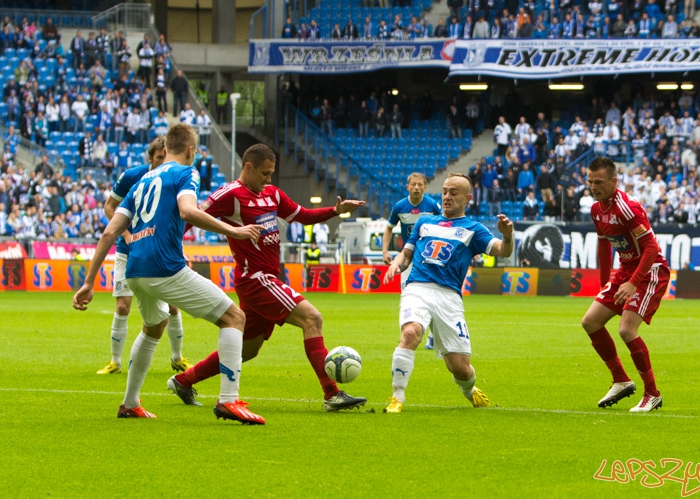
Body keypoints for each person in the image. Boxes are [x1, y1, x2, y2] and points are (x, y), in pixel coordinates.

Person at [73, 124, 266, 424]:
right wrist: (235, 230)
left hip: (135, 268)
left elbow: (110, 231)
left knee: (154, 325)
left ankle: (130, 403)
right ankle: (229, 400)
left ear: (164, 150)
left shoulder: (140, 183)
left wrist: (88, 282)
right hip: (164, 266)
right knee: (234, 318)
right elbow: (188, 211)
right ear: (191, 150)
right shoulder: (185, 173)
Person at [167, 143, 368, 412]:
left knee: (248, 349)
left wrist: (335, 211)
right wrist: (176, 249)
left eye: (271, 173)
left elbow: (303, 216)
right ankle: (331, 393)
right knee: (312, 318)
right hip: (256, 279)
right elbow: (189, 218)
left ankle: (184, 380)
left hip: (268, 279)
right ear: (248, 168)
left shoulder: (272, 193)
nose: (268, 179)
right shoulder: (230, 195)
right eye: (264, 173)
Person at [382, 173, 514, 413]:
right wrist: (396, 264)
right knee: (411, 333)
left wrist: (507, 235)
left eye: (454, 193)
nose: (447, 197)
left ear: (467, 198)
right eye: (444, 192)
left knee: (460, 368)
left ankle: (470, 390)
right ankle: (397, 397)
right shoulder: (424, 222)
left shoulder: (474, 229)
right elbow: (406, 255)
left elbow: (502, 251)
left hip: (449, 297)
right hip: (417, 288)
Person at [96, 137, 194, 375]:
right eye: (159, 158)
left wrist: (179, 249)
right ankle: (115, 362)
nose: (163, 161)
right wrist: (127, 234)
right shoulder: (133, 176)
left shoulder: (174, 176)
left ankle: (177, 357)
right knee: (122, 307)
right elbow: (110, 206)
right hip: (127, 250)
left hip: (161, 250)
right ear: (151, 158)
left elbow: (176, 218)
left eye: (165, 156)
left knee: (172, 305)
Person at [581, 157, 669, 413]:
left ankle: (652, 394)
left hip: (650, 270)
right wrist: (604, 282)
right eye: (590, 181)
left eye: (599, 182)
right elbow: (603, 243)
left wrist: (633, 283)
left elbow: (652, 247)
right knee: (590, 322)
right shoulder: (597, 209)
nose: (593, 186)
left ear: (614, 181)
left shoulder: (627, 208)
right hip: (625, 271)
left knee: (626, 330)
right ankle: (620, 379)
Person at [382, 173, 442, 348]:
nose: (416, 187)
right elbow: (389, 228)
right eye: (413, 184)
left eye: (420, 185)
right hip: (407, 258)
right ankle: (406, 335)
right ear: (407, 187)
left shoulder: (432, 205)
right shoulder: (400, 206)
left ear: (425, 187)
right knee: (406, 296)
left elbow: (445, 223)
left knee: (434, 297)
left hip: (429, 259)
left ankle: (432, 336)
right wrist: (385, 251)